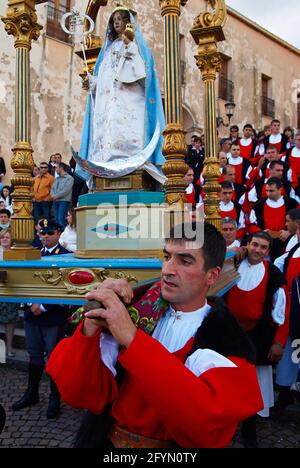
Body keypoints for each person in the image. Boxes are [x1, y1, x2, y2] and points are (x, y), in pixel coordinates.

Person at [47, 222, 263, 448]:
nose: (168, 270)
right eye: (167, 257)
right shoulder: (136, 311)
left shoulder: (226, 341)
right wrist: (93, 319)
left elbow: (204, 426)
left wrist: (132, 340)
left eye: (185, 261)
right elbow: (78, 395)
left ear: (212, 276)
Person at [78, 4, 165, 183]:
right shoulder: (107, 50)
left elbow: (143, 75)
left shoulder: (137, 46)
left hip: (130, 100)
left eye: (120, 19)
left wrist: (129, 48)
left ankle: (133, 164)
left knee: (127, 133)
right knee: (108, 134)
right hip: (108, 106)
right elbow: (104, 79)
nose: (116, 23)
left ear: (127, 22)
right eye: (114, 20)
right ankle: (105, 164)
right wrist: (92, 82)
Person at [225, 232, 289, 447]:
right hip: (228, 335)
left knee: (254, 388)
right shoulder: (231, 263)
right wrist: (233, 252)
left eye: (263, 247)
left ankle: (249, 432)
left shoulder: (273, 274)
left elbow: (282, 310)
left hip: (256, 337)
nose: (258, 250)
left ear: (269, 251)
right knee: (225, 382)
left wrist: (278, 342)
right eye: (254, 245)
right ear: (247, 245)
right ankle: (223, 428)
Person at [12, 220, 71, 419]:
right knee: (34, 355)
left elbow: (66, 287)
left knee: (53, 358)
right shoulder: (33, 252)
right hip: (32, 314)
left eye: (50, 232)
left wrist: (44, 305)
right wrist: (31, 303)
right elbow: (24, 280)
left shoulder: (66, 255)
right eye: (42, 233)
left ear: (58, 233)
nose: (45, 236)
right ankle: (32, 393)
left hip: (53, 317)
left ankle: (55, 397)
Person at [0, 229, 19, 358]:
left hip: (11, 290)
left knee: (10, 321)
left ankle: (9, 347)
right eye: (2, 237)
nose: (5, 239)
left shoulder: (16, 253)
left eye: (7, 237)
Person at [50, 163, 74, 230]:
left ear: (61, 168)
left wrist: (55, 196)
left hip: (64, 201)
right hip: (55, 201)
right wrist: (52, 195)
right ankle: (59, 236)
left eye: (56, 167)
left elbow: (66, 190)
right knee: (56, 219)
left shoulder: (69, 178)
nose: (55, 169)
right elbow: (52, 188)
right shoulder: (57, 179)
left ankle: (65, 234)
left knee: (61, 219)